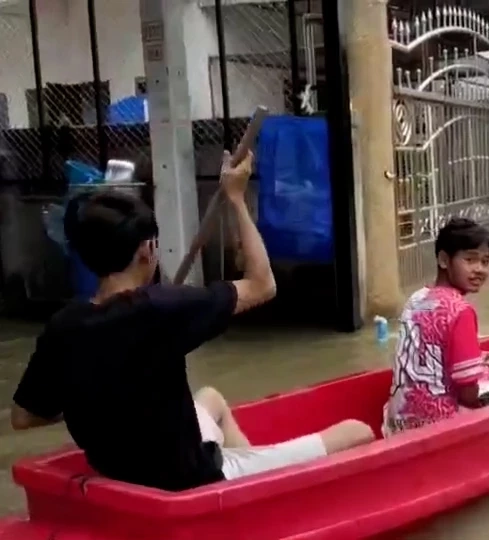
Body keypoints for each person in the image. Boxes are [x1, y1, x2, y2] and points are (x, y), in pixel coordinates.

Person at [10, 149, 374, 491]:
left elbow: (23, 417)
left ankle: (254, 493)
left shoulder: (64, 324)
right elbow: (263, 284)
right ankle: (241, 489)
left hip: (118, 471)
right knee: (357, 432)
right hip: (189, 480)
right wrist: (235, 197)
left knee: (211, 399)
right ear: (147, 251)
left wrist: (93, 399)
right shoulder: (162, 307)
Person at [383, 218, 489, 436]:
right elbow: (469, 395)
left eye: (485, 262)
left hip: (398, 422)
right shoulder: (461, 311)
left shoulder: (416, 298)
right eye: (470, 260)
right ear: (443, 260)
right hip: (442, 424)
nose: (480, 270)